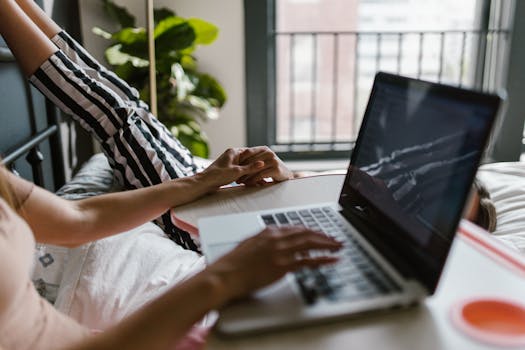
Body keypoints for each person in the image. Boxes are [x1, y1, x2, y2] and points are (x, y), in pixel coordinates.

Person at [7, 0, 294, 252]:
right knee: (127, 102)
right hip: (225, 200)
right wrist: (287, 178)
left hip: (207, 226)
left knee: (114, 115)